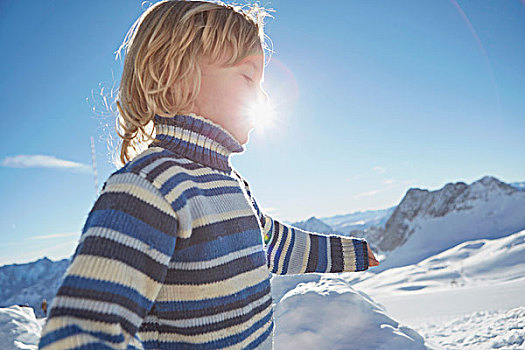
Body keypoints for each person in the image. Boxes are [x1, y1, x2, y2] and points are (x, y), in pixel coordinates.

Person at [38, 1, 380, 349]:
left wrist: (345, 254)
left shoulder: (231, 184)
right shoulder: (149, 188)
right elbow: (78, 334)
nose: (262, 95)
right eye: (248, 76)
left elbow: (272, 245)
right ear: (178, 73)